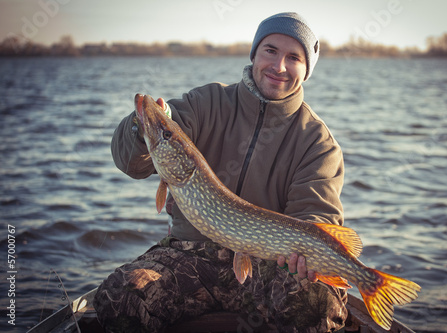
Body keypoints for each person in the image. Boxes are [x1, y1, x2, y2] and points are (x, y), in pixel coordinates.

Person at [94, 12, 347, 332]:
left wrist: (306, 256)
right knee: (120, 298)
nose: (279, 66)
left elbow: (316, 215)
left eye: (294, 57)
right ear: (254, 53)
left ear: (306, 70)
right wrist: (139, 127)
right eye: (270, 50)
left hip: (269, 268)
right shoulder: (205, 102)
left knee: (317, 310)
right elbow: (129, 162)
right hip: (188, 257)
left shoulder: (318, 143)